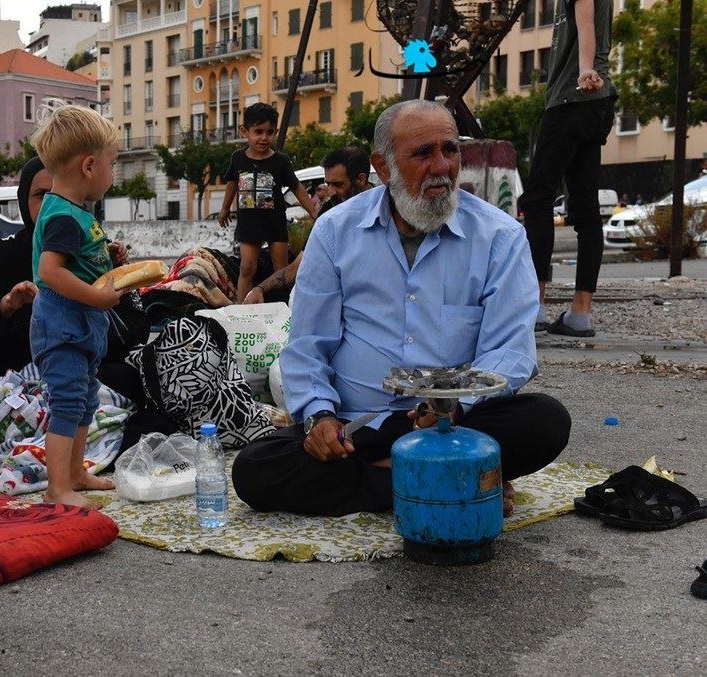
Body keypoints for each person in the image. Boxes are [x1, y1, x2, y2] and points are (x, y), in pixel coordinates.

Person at [231, 100, 571, 518]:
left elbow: (511, 353)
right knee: (252, 468)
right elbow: (308, 345)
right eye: (423, 153)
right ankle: (440, 483)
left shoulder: (500, 237)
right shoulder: (336, 230)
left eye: (450, 150)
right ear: (384, 166)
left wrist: (453, 405)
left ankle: (414, 474)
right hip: (359, 429)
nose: (442, 166)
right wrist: (320, 416)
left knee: (546, 421)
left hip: (453, 425)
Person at [0, 157, 165, 448]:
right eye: (40, 195)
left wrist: (87, 311)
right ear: (24, 200)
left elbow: (137, 326)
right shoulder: (0, 255)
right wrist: (8, 304)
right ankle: (50, 425)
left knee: (126, 379)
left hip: (82, 375)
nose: (51, 202)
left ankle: (26, 426)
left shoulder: (97, 251)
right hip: (11, 383)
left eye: (59, 193)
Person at [27, 103, 124, 506]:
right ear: (89, 166)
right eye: (112, 164)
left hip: (81, 324)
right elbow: (51, 271)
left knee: (84, 399)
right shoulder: (64, 216)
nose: (112, 173)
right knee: (66, 400)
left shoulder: (75, 214)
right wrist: (100, 297)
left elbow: (79, 261)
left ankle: (75, 474)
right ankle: (58, 488)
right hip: (63, 324)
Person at [518, 0, 616, 337]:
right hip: (596, 103)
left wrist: (584, 69)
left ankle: (534, 307)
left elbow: (586, 26)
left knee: (536, 199)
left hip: (572, 99)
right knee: (586, 206)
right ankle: (580, 314)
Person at [244, 146, 374, 304]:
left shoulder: (387, 209)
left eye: (338, 185)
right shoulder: (329, 213)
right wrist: (260, 289)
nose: (330, 192)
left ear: (360, 179)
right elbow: (300, 265)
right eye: (328, 184)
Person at [218, 102, 321, 302]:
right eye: (258, 132)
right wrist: (224, 209)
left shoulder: (280, 161)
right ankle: (242, 309)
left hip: (275, 224)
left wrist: (315, 213)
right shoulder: (238, 158)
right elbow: (232, 184)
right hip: (249, 224)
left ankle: (284, 307)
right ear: (245, 131)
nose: (264, 138)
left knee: (281, 271)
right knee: (247, 268)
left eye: (269, 132)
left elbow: (296, 187)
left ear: (275, 132)